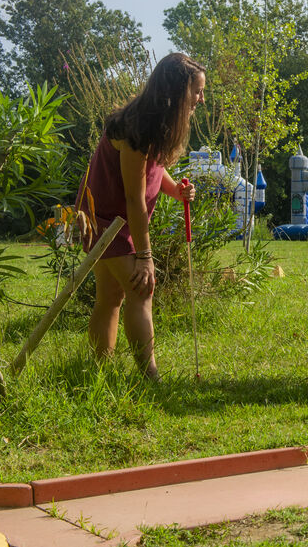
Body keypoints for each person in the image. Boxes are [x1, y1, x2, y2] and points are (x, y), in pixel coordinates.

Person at [77, 53, 205, 380]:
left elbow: (154, 171)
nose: (200, 100)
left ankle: (100, 372)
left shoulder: (155, 124)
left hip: (117, 222)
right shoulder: (134, 130)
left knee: (111, 296)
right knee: (140, 289)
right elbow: (135, 200)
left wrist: (175, 189)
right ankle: (150, 377)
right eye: (196, 92)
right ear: (177, 92)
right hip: (107, 223)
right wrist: (145, 256)